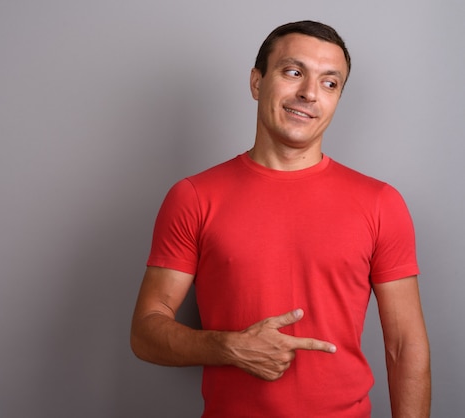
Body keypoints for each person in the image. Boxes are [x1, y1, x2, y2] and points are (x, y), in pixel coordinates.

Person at [130, 20, 431, 418]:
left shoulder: (380, 202)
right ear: (257, 83)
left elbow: (404, 344)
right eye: (294, 72)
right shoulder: (194, 197)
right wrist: (228, 346)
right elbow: (145, 332)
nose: (309, 93)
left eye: (329, 83)